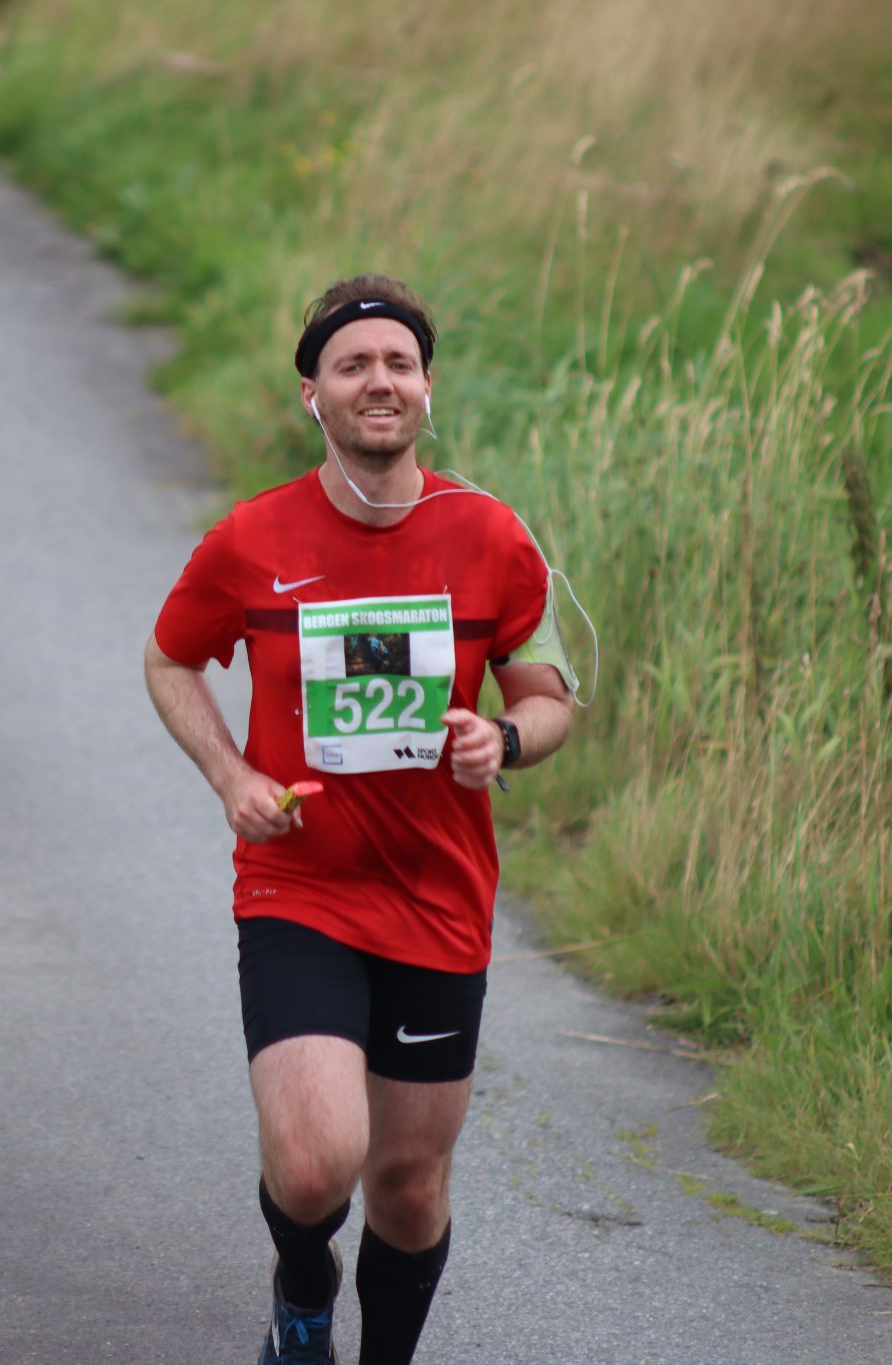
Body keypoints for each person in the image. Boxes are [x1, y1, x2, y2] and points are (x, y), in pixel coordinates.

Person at [142, 274, 576, 1364]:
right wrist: (232, 776)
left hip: (437, 895)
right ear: (313, 394)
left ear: (426, 387)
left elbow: (548, 699)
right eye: (352, 365)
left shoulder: (493, 536)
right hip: (301, 887)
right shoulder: (253, 538)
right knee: (311, 1165)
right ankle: (301, 1287)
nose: (378, 382)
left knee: (408, 1181)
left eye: (398, 363)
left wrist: (502, 738)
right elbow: (169, 658)